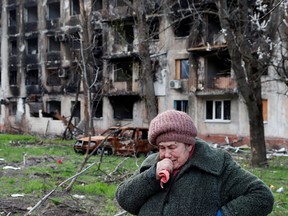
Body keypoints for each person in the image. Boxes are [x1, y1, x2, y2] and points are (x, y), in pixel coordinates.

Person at [115, 110, 274, 216]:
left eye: (172, 147)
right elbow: (124, 200)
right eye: (162, 148)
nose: (166, 155)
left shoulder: (216, 164)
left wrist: (223, 214)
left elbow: (262, 196)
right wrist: (151, 176)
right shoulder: (152, 164)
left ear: (189, 145)